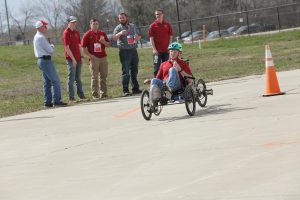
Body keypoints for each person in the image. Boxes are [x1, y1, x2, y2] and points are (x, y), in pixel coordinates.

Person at [33, 20, 67, 108]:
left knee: (47, 82)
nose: (46, 28)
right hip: (45, 60)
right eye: (44, 26)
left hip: (41, 60)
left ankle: (47, 102)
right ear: (40, 27)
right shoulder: (41, 37)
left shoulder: (37, 36)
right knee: (55, 81)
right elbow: (50, 50)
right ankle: (56, 101)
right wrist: (51, 45)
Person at [112, 12, 142, 97]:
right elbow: (113, 38)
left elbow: (139, 36)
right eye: (120, 18)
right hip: (124, 51)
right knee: (126, 71)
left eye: (123, 17)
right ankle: (125, 90)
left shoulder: (133, 26)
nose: (122, 19)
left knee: (134, 70)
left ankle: (135, 88)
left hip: (133, 50)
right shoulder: (118, 28)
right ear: (119, 19)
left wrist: (137, 38)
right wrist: (120, 33)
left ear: (126, 17)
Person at [81, 19, 111, 99]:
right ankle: (95, 95)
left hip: (103, 57)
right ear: (90, 25)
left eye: (97, 24)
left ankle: (104, 94)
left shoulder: (102, 33)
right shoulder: (87, 34)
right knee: (94, 76)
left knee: (104, 76)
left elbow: (108, 45)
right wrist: (90, 56)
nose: (95, 25)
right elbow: (83, 48)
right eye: (93, 24)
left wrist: (103, 41)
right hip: (94, 58)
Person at [62, 16, 86, 102]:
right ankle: (71, 97)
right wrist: (73, 59)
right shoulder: (66, 33)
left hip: (78, 58)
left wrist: (82, 56)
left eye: (75, 22)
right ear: (68, 23)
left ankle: (81, 95)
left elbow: (79, 46)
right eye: (72, 22)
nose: (74, 24)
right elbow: (67, 48)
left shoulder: (76, 32)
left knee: (78, 78)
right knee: (71, 77)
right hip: (71, 59)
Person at [148, 8, 173, 77]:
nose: (157, 15)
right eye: (156, 14)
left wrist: (169, 48)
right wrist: (154, 49)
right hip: (157, 52)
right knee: (156, 68)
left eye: (159, 14)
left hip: (166, 51)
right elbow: (151, 38)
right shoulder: (152, 26)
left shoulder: (167, 25)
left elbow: (170, 37)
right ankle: (156, 83)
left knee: (168, 67)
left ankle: (167, 82)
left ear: (163, 15)